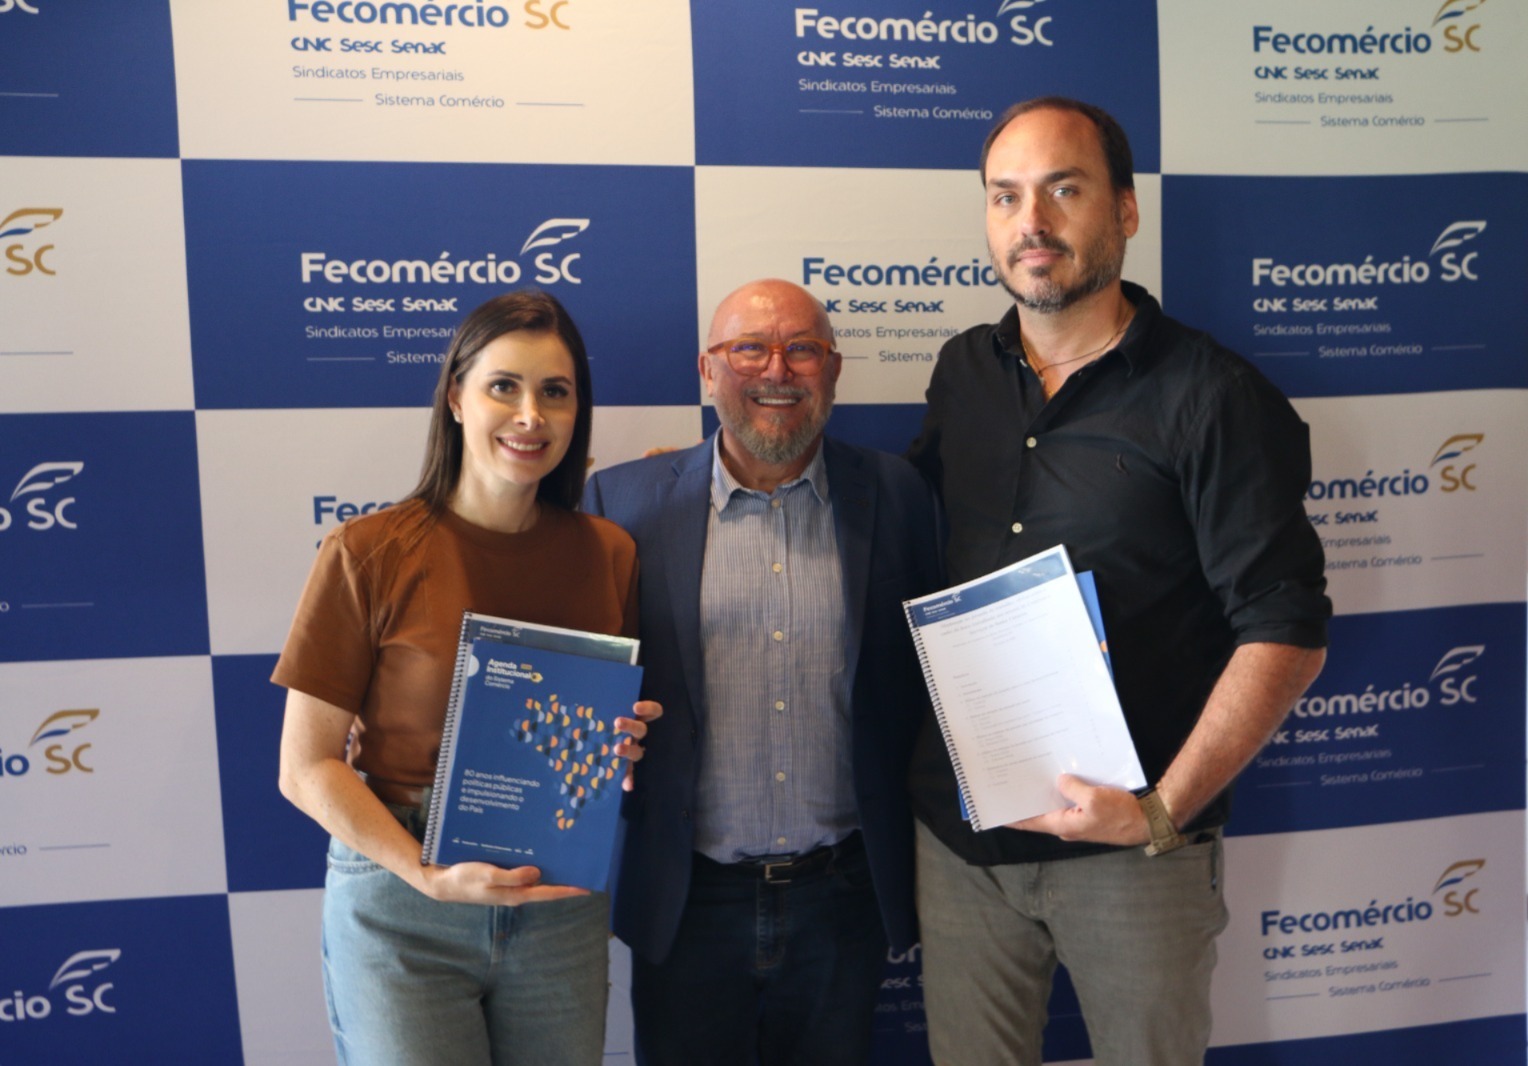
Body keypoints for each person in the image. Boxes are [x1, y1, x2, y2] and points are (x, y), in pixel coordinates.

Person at [906, 98, 1331, 1065]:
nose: (1032, 222)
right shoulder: (964, 371)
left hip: (1134, 854)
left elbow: (1286, 629)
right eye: (1005, 196)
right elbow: (903, 530)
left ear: (1126, 211)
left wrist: (1160, 814)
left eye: (1064, 190)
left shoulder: (1214, 398)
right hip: (963, 841)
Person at [273, 290, 661, 1066]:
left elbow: (590, 738)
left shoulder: (610, 553)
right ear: (455, 397)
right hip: (404, 901)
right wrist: (424, 874)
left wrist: (619, 742)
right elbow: (305, 767)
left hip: (558, 902)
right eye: (503, 386)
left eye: (556, 392)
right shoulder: (367, 551)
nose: (531, 416)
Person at [582, 279, 941, 1066]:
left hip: (843, 899)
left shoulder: (898, 494)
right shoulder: (622, 503)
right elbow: (575, 680)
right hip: (687, 900)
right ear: (707, 369)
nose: (777, 370)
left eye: (802, 349)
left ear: (833, 369)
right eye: (749, 348)